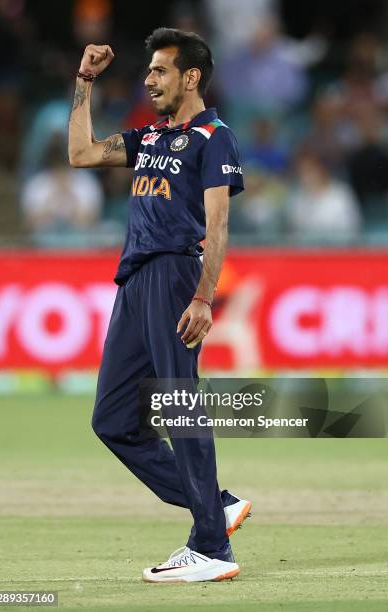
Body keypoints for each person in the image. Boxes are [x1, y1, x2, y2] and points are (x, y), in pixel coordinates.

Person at [68, 28, 251, 583]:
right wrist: (83, 81)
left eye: (159, 71)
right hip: (134, 282)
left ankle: (213, 548)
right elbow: (80, 153)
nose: (148, 79)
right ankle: (214, 508)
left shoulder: (213, 136)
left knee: (179, 407)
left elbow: (218, 223)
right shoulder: (149, 138)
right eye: (147, 71)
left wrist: (203, 295)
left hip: (174, 274)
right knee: (113, 419)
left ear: (190, 76)